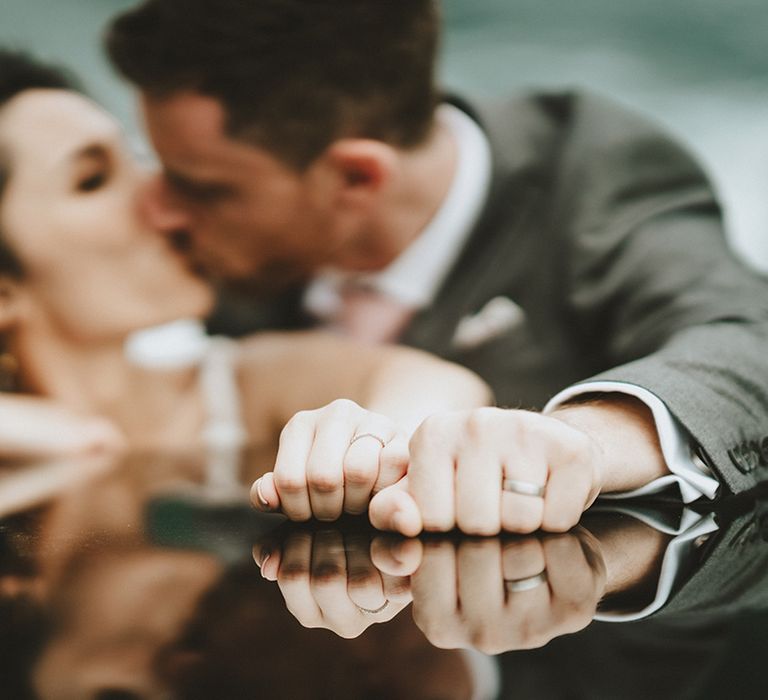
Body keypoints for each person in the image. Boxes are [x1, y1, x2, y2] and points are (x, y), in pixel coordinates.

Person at [105, 0, 768, 536]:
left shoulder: (597, 176)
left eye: (202, 187)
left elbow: (749, 341)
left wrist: (574, 443)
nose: (155, 210)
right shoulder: (205, 243)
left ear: (357, 177)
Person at [0, 49, 491, 521]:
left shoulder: (240, 385)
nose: (160, 196)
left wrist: (375, 441)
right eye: (93, 180)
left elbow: (436, 385)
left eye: (135, 156)